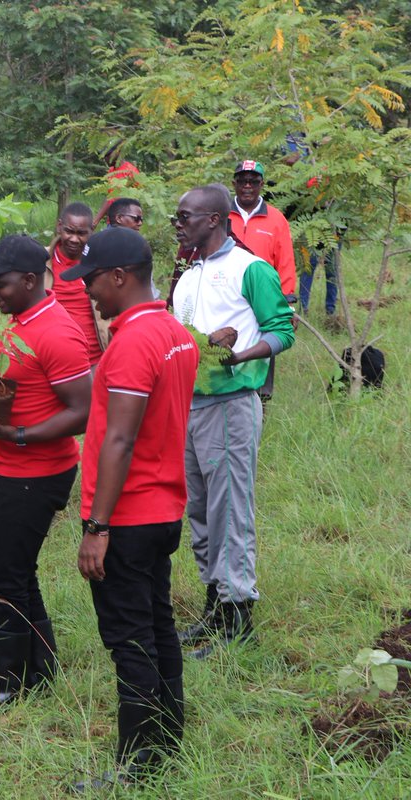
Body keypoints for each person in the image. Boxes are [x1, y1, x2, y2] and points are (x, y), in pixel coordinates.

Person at [62, 226, 198, 791]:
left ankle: (135, 765)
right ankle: (169, 738)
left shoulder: (132, 343)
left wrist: (97, 526)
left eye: (92, 280)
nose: (88, 291)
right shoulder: (175, 331)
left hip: (129, 517)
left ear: (119, 277)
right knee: (158, 624)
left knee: (128, 639)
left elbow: (118, 440)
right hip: (165, 507)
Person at [0, 235, 91, 714]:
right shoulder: (21, 322)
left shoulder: (55, 331)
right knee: (19, 573)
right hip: (14, 469)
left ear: (30, 280)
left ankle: (6, 684)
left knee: (4, 578)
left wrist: (17, 436)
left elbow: (85, 411)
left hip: (36, 473)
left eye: (1, 282)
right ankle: (41, 670)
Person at [171, 185, 295, 659]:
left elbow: (282, 330)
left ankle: (238, 617)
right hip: (189, 406)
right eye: (177, 217)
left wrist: (240, 353)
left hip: (230, 403)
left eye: (186, 216)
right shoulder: (189, 272)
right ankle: (214, 607)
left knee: (231, 511)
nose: (179, 224)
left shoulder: (250, 269)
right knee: (200, 511)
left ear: (216, 219)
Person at [229, 160, 297, 400]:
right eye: (243, 181)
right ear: (234, 183)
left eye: (254, 181)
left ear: (261, 185)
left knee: (262, 353)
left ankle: (259, 406)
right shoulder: (222, 214)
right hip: (227, 295)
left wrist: (288, 306)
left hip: (264, 300)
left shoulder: (276, 219)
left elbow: (286, 263)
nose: (248, 186)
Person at [48, 203, 105, 366]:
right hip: (53, 360)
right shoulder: (41, 262)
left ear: (91, 232)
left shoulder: (102, 265)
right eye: (69, 231)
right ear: (59, 227)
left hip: (95, 361)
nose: (74, 239)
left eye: (81, 233)